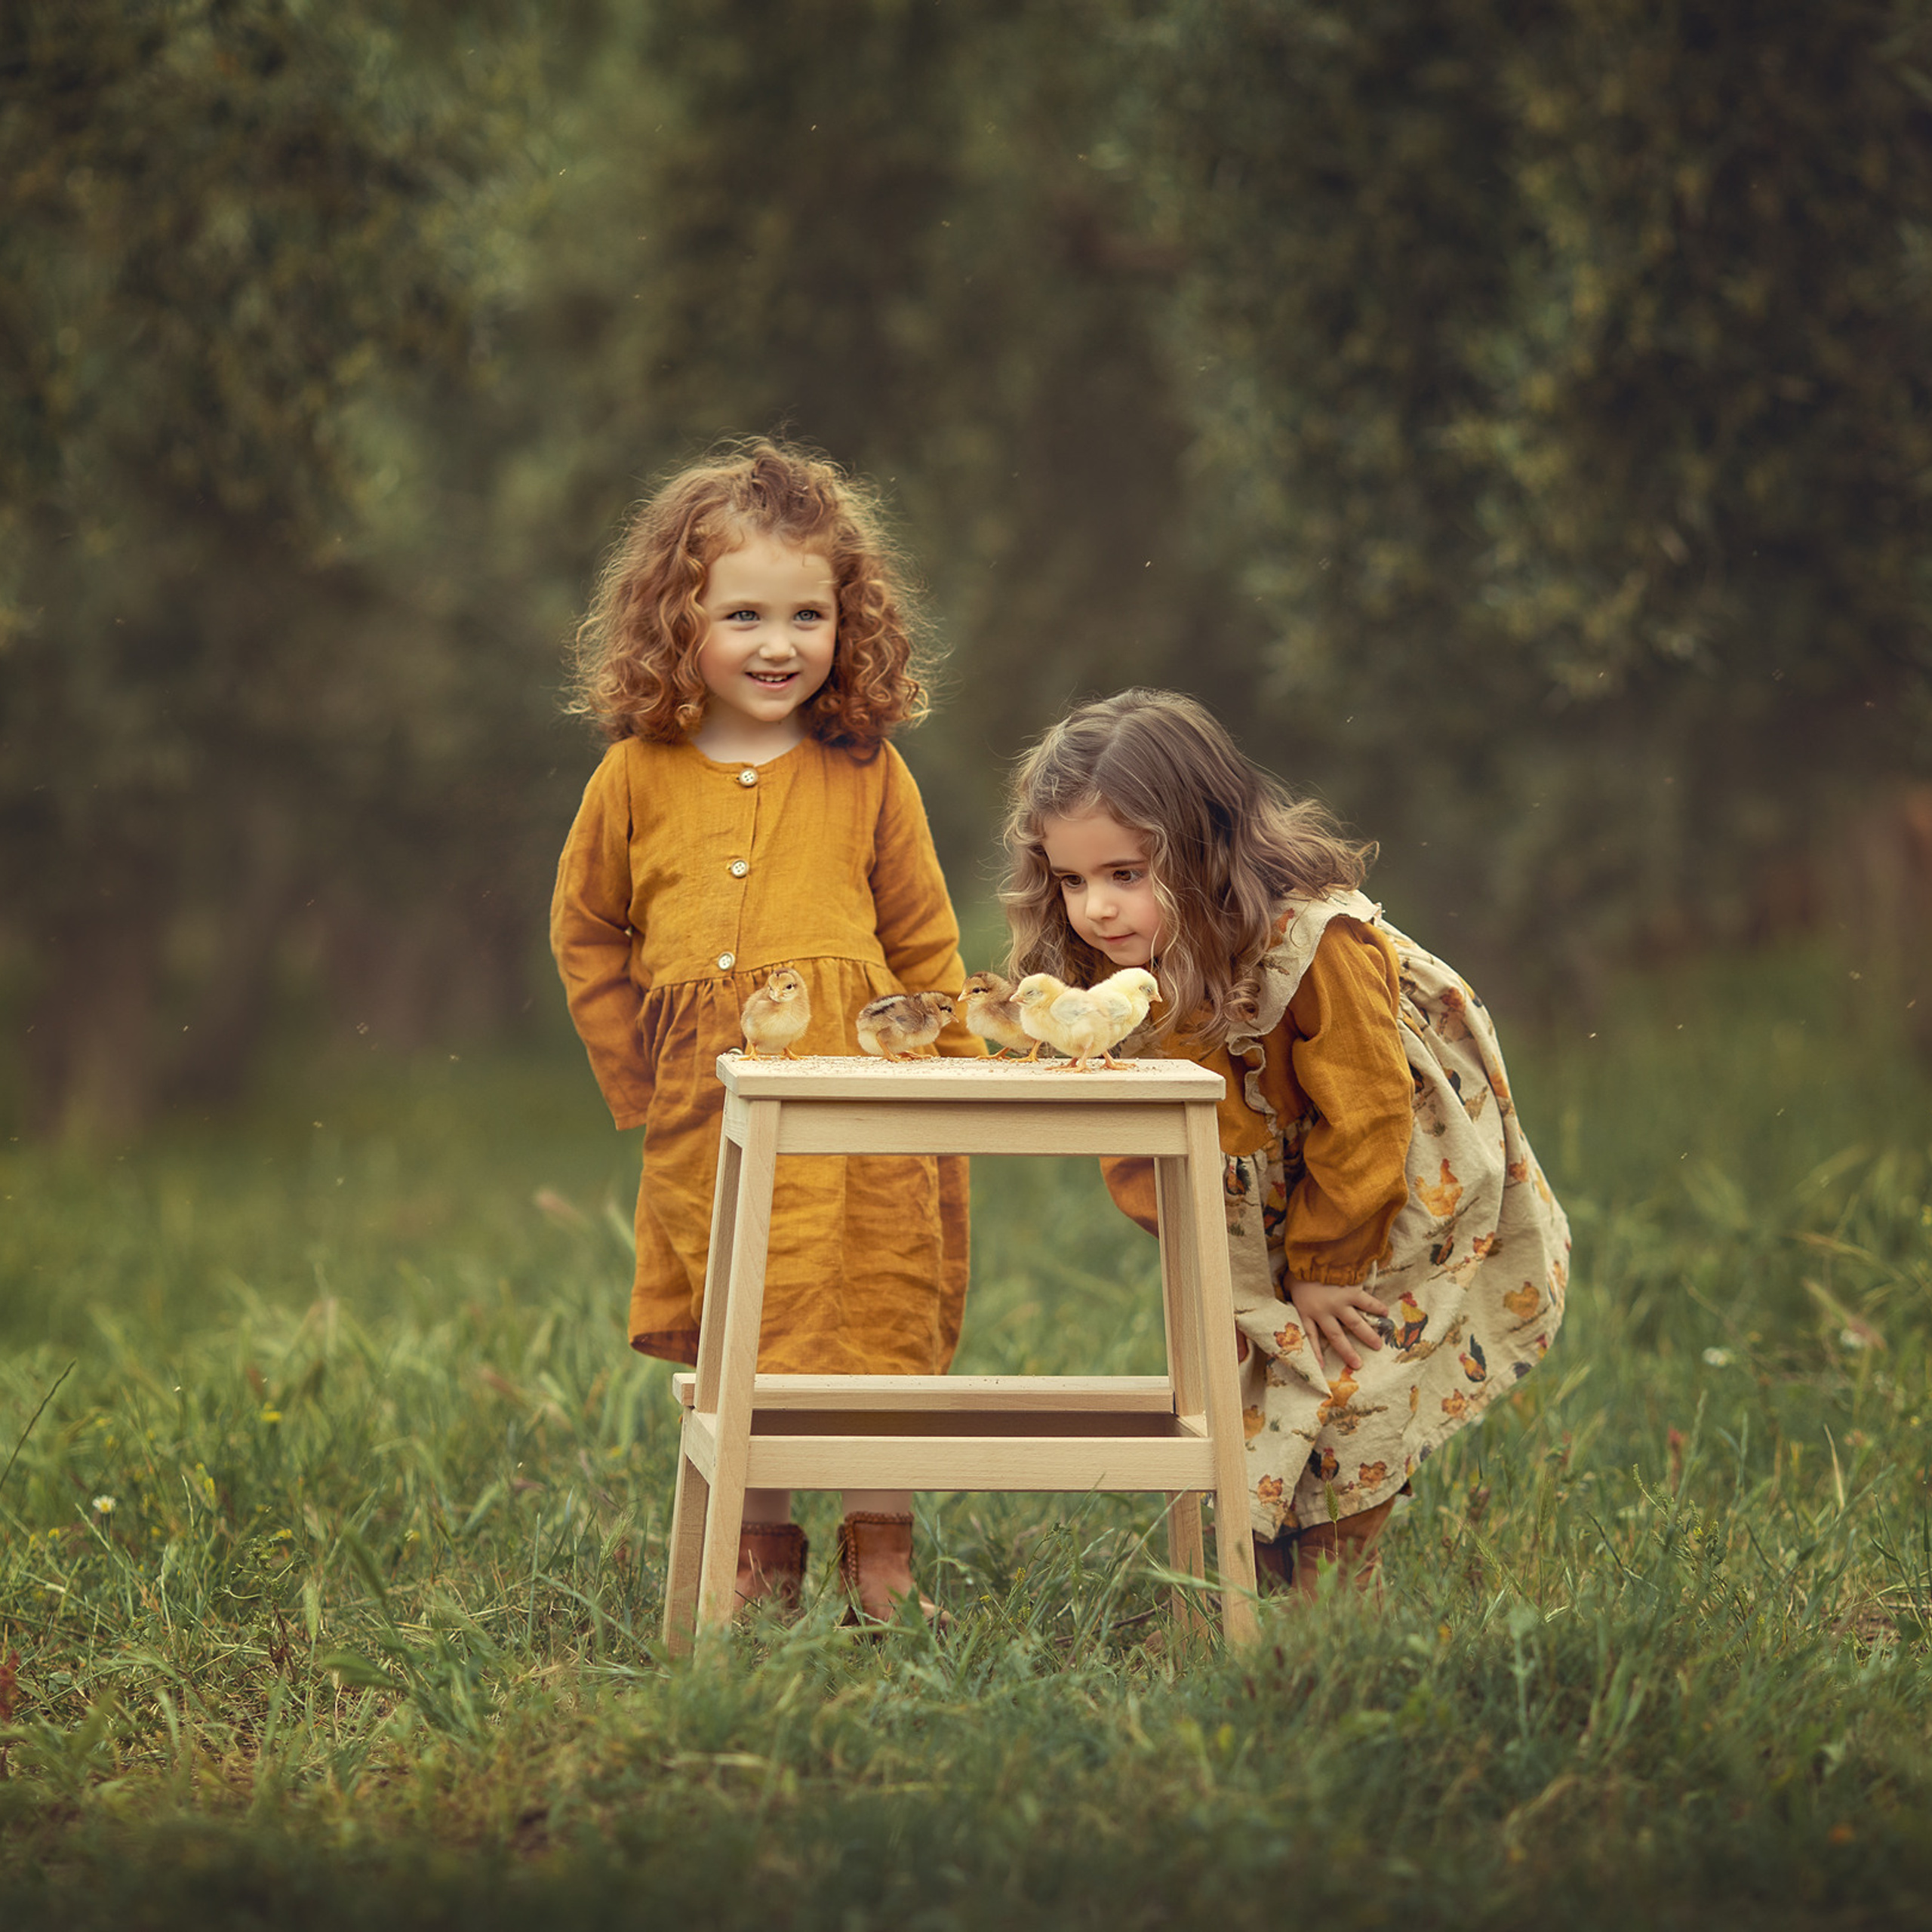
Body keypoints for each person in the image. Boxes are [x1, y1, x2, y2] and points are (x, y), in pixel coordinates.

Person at [1000, 689, 1570, 1600]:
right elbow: (1147, 1120)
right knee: (1265, 1387)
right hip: (1263, 1210)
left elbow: (1370, 1106)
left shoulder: (1314, 943)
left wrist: (1326, 1256)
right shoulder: (1127, 976)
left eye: (1126, 873)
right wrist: (1200, 1237)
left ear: (1205, 847)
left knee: (1353, 1374)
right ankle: (1266, 1558)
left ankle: (1339, 1579)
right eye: (1073, 882)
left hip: (1382, 1197)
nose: (1098, 910)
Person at [551, 438, 976, 1623]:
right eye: (743, 614)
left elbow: (927, 938)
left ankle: (882, 1557)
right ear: (676, 623)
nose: (780, 644)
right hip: (714, 1115)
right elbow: (586, 930)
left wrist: (953, 1079)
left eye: (809, 614)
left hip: (866, 1109)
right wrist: (640, 1083)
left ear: (852, 622)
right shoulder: (636, 775)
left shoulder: (866, 769)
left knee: (875, 1313)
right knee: (750, 1327)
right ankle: (763, 1554)